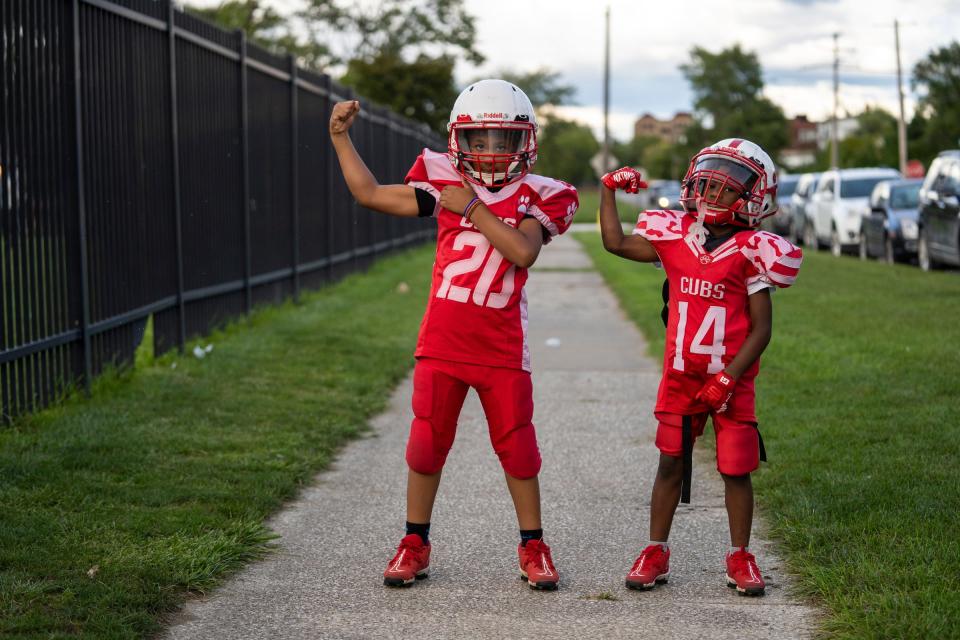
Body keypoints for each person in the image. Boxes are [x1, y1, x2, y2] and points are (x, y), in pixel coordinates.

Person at [329, 79, 579, 590]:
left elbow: (522, 251)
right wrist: (339, 138)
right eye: (479, 140)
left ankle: (533, 545)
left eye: (501, 140)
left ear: (524, 142)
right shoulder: (444, 185)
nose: (489, 152)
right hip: (442, 343)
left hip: (502, 347)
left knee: (519, 449)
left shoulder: (539, 195)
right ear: (458, 141)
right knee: (425, 445)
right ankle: (414, 542)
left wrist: (470, 208)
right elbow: (369, 193)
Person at [598, 138, 802, 596]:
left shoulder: (753, 250)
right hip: (681, 375)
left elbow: (762, 329)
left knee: (736, 468)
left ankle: (740, 555)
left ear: (752, 198)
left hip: (731, 377)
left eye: (724, 189)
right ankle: (655, 549)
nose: (711, 194)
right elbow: (613, 242)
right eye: (706, 183)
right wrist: (608, 189)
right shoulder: (675, 238)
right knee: (670, 461)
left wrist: (729, 377)